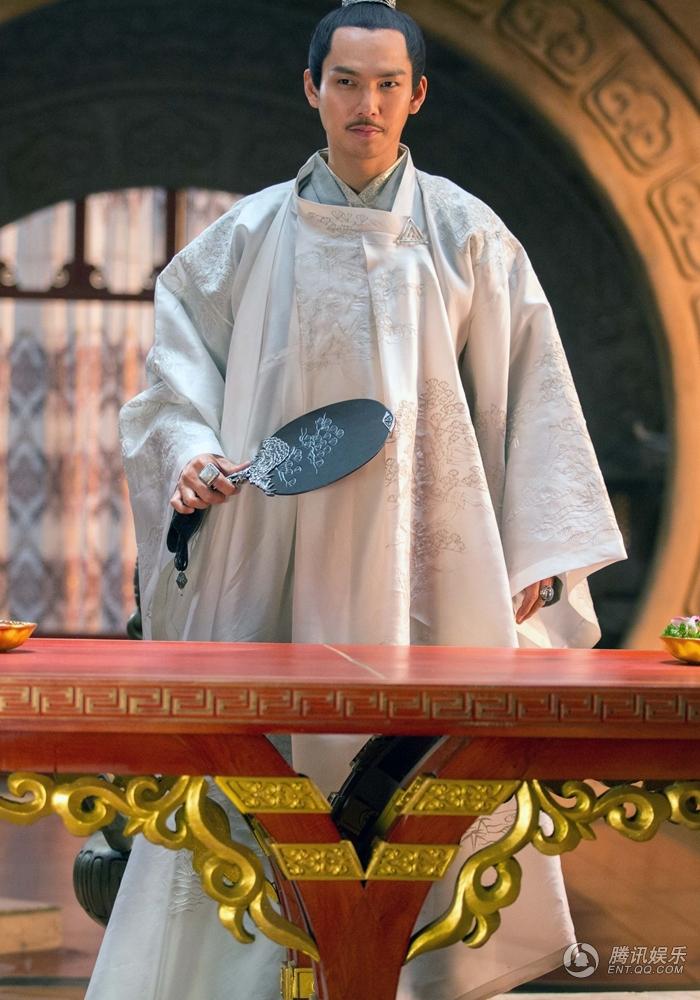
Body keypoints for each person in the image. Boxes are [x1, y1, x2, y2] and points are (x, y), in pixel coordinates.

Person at [90, 1, 626, 998]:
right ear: (312, 89)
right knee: (258, 780)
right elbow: (175, 374)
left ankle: (403, 973)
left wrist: (538, 558)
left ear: (417, 96)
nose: (365, 104)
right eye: (345, 81)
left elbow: (533, 394)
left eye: (387, 84)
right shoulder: (244, 238)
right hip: (270, 559)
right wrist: (194, 452)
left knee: (424, 781)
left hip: (431, 566)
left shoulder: (467, 235)